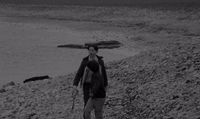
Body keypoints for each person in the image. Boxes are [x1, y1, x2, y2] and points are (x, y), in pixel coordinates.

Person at [72, 45, 108, 119]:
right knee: (86, 106)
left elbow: (104, 74)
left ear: (96, 51)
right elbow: (79, 73)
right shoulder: (85, 61)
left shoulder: (100, 61)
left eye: (92, 50)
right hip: (87, 86)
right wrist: (75, 85)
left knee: (98, 109)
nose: (90, 52)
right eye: (89, 50)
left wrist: (105, 85)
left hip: (98, 86)